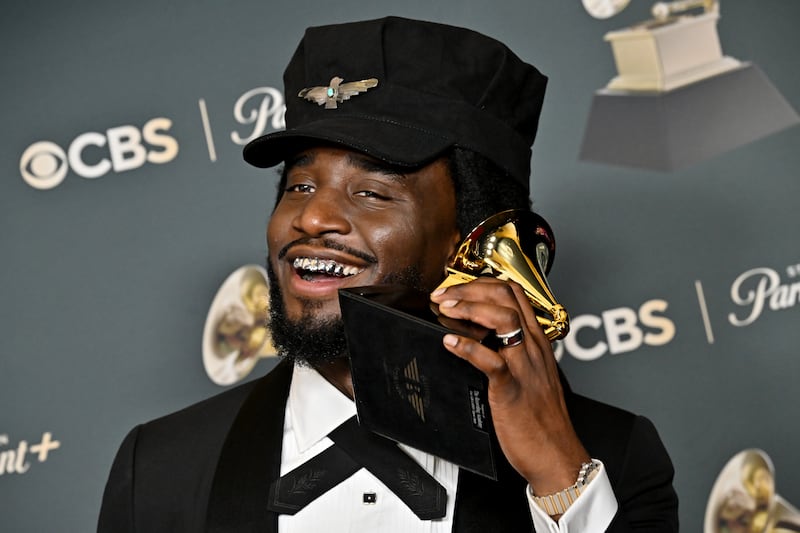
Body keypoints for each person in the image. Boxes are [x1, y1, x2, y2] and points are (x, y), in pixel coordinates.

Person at [98, 16, 679, 532]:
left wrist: (559, 479)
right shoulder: (159, 466)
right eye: (299, 186)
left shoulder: (611, 456)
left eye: (372, 191)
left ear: (472, 241)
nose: (313, 217)